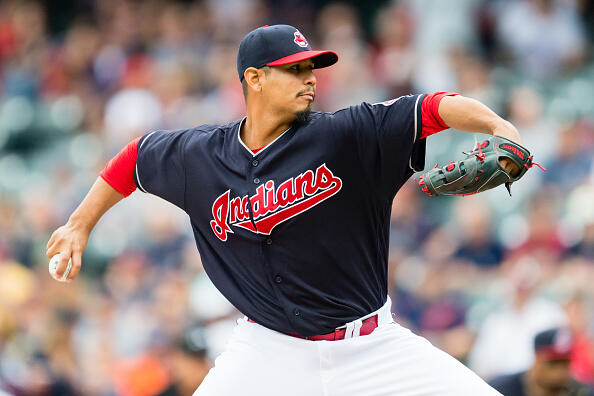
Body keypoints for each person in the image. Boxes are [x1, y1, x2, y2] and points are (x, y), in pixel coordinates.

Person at [46, 24, 523, 395]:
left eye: (311, 68)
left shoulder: (346, 135)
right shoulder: (200, 157)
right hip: (267, 350)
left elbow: (433, 107)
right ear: (254, 78)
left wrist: (500, 127)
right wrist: (78, 225)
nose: (309, 78)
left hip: (371, 346)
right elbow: (133, 161)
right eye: (294, 69)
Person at [489, 328, 594, 396]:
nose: (560, 371)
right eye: (553, 363)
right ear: (537, 360)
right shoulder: (501, 388)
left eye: (565, 362)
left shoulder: (583, 392)